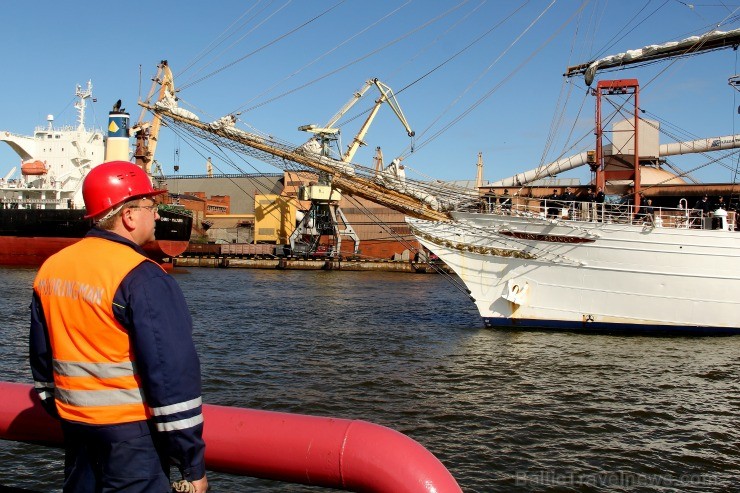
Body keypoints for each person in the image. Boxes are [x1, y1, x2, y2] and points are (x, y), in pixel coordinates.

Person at [29, 161, 208, 493]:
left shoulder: (52, 268)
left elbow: (41, 363)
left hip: (77, 433)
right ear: (128, 215)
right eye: (151, 207)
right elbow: (171, 377)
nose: (157, 215)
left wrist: (66, 410)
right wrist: (190, 463)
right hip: (132, 440)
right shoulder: (142, 276)